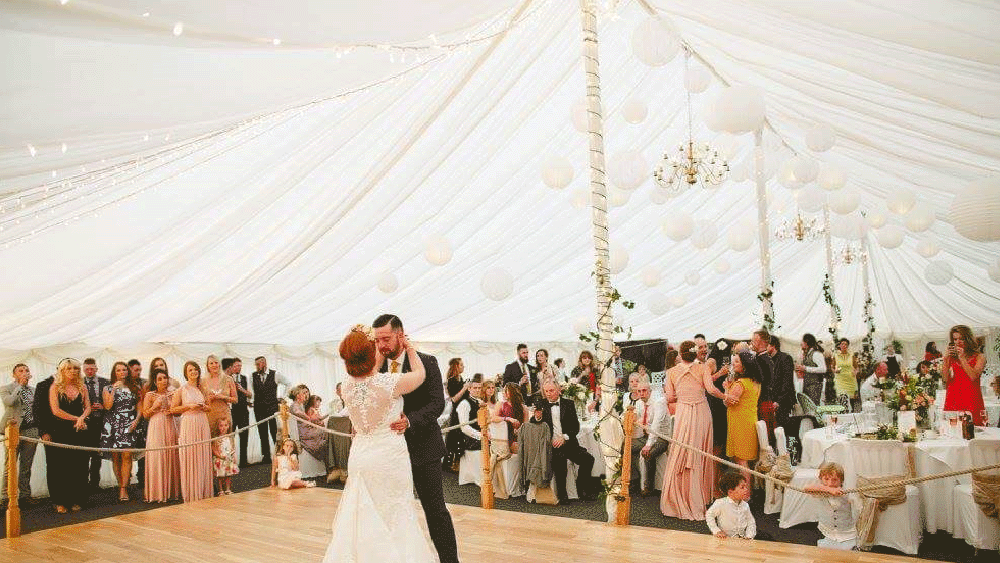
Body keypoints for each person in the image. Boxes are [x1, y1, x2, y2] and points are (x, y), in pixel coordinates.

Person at [322, 324, 437, 562]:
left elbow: (366, 376)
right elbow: (420, 375)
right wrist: (410, 348)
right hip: (388, 456)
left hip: (361, 455)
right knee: (394, 511)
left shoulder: (347, 386)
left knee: (362, 513)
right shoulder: (389, 383)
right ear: (370, 352)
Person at [369, 314, 458, 563]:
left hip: (424, 449)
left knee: (435, 511)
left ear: (400, 334)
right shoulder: (375, 366)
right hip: (387, 452)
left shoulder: (427, 362)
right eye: (377, 340)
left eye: (385, 339)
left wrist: (410, 421)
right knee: (391, 511)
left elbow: (437, 404)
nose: (381, 345)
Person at [661, 341, 727, 520]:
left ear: (681, 355)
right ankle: (701, 496)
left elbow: (669, 397)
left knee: (682, 452)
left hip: (683, 413)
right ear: (695, 354)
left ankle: (680, 496)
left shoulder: (671, 372)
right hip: (701, 412)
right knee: (700, 452)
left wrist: (679, 395)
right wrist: (726, 397)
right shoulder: (703, 368)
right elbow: (711, 389)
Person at [539, 380, 596, 503]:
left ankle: (582, 489)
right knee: (560, 461)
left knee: (588, 459)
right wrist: (537, 416)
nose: (549, 394)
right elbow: (534, 423)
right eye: (546, 391)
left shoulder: (568, 404)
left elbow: (575, 426)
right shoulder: (542, 405)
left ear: (558, 390)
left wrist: (564, 437)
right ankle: (562, 494)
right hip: (551, 446)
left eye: (551, 390)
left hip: (568, 443)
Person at [47, 358, 92, 513]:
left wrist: (81, 418)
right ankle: (60, 501)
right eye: (69, 368)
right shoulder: (55, 387)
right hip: (61, 431)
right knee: (61, 467)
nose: (73, 371)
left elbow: (88, 407)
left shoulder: (82, 387)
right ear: (62, 370)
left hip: (79, 430)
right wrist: (76, 418)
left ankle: (77, 499)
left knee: (79, 466)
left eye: (75, 368)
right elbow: (56, 411)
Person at [101, 361, 143, 502]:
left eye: (124, 370)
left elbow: (139, 407)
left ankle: (124, 488)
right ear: (114, 372)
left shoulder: (134, 387)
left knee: (127, 456)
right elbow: (107, 406)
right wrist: (113, 390)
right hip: (113, 424)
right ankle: (121, 485)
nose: (122, 372)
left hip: (129, 422)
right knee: (116, 458)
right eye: (118, 370)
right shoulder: (107, 387)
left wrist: (135, 422)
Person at [172, 360, 213, 503]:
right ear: (186, 373)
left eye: (195, 369)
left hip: (202, 422)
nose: (193, 372)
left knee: (202, 455)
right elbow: (173, 409)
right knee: (190, 455)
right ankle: (191, 492)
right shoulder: (181, 390)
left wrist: (203, 407)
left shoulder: (203, 388)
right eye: (190, 370)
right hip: (189, 423)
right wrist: (188, 406)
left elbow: (209, 407)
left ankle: (203, 490)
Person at [1, 364, 38, 508]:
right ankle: (5, 497)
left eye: (27, 370)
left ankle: (25, 495)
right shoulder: (6, 388)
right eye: (21, 371)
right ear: (14, 375)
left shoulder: (34, 390)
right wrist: (20, 386)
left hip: (31, 431)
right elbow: (9, 402)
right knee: (9, 466)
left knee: (26, 466)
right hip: (13, 431)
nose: (24, 373)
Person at [142, 369, 180, 503]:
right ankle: (157, 492)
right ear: (155, 382)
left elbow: (177, 413)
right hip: (156, 426)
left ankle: (171, 491)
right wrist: (155, 407)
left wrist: (172, 410)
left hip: (170, 425)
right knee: (157, 456)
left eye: (165, 378)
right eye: (160, 379)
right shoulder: (150, 395)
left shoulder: (173, 394)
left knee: (171, 455)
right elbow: (145, 415)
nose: (163, 381)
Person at [724, 352, 761, 481]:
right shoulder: (755, 382)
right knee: (745, 460)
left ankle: (746, 494)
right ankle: (747, 491)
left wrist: (726, 389)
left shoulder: (740, 383)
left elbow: (728, 402)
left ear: (745, 366)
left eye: (737, 362)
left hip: (740, 423)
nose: (734, 364)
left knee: (741, 460)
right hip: (750, 420)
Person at [804, 462, 857, 550]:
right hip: (828, 530)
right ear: (821, 479)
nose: (830, 483)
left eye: (835, 480)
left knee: (847, 550)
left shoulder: (846, 492)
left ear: (841, 480)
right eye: (826, 479)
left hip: (845, 530)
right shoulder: (821, 490)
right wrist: (828, 489)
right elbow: (806, 488)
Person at [942, 325, 987, 425]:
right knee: (953, 431)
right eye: (955, 339)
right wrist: (945, 360)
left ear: (968, 339)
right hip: (953, 397)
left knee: (974, 431)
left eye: (961, 339)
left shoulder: (980, 357)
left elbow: (973, 377)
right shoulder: (952, 357)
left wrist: (962, 358)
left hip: (971, 398)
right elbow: (945, 379)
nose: (958, 342)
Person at [251, 356, 291, 465]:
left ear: (264, 363)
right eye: (256, 365)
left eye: (258, 364)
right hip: (258, 408)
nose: (256, 367)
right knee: (262, 432)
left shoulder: (275, 374)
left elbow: (288, 383)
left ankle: (279, 452)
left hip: (272, 407)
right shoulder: (253, 376)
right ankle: (266, 456)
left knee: (275, 431)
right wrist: (250, 401)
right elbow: (251, 390)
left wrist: (283, 397)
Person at [81, 358, 109, 491]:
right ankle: (83, 483)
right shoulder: (78, 383)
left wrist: (103, 406)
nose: (90, 371)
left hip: (101, 423)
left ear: (96, 369)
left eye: (92, 368)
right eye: (87, 369)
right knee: (84, 454)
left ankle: (95, 484)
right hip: (85, 423)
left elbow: (112, 402)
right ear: (83, 370)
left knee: (98, 455)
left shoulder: (105, 382)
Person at [639, 380, 670, 497]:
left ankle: (649, 487)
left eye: (644, 391)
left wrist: (649, 444)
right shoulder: (643, 403)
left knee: (648, 454)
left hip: (662, 438)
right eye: (639, 391)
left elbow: (656, 426)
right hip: (648, 436)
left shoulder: (659, 402)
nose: (642, 393)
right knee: (626, 446)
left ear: (650, 391)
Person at [446, 374, 483, 471]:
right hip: (469, 438)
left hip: (478, 433)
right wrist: (481, 435)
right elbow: (465, 428)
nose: (478, 390)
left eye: (479, 388)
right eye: (475, 388)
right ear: (469, 389)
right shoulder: (465, 404)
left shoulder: (479, 402)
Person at [705, 472, 755, 539]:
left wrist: (749, 535)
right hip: (725, 539)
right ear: (730, 491)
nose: (746, 490)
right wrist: (716, 531)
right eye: (742, 487)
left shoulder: (745, 505)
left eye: (746, 487)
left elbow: (751, 521)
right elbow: (709, 515)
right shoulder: (721, 503)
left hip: (741, 540)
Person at [224, 357, 252, 467]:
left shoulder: (245, 378)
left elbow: (250, 394)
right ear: (231, 367)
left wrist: (242, 390)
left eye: (240, 365)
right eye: (236, 366)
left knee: (244, 436)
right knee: (230, 437)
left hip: (244, 411)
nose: (238, 368)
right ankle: (229, 461)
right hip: (231, 411)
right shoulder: (226, 378)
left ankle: (244, 461)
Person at [766, 336, 796, 437]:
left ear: (773, 346)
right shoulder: (768, 359)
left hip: (784, 400)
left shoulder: (785, 358)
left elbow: (787, 382)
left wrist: (778, 401)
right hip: (773, 399)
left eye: (766, 345)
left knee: (784, 429)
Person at [202, 355, 236, 438]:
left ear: (219, 364)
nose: (214, 365)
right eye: (211, 363)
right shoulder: (202, 381)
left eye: (216, 362)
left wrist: (222, 397)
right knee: (212, 443)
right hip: (210, 416)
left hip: (225, 416)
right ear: (207, 366)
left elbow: (235, 399)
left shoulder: (228, 379)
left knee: (226, 442)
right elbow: (201, 401)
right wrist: (208, 399)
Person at [292, 392, 329, 466]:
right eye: (317, 403)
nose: (319, 404)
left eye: (319, 403)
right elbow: (313, 419)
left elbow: (319, 418)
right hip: (312, 428)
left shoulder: (315, 410)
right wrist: (322, 419)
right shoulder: (311, 410)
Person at [796, 334, 826, 404]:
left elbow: (823, 369)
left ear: (807, 342)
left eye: (802, 341)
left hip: (814, 386)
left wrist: (806, 368)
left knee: (813, 407)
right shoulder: (807, 354)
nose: (801, 343)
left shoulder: (816, 353)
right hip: (807, 384)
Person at [213, 418, 239, 495]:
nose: (223, 428)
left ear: (228, 426)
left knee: (228, 475)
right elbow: (214, 449)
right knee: (220, 476)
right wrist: (219, 456)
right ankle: (220, 490)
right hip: (220, 459)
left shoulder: (230, 437)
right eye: (221, 426)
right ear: (218, 427)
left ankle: (228, 489)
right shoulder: (216, 438)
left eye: (225, 425)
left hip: (228, 459)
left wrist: (234, 456)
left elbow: (232, 447)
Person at [832, 339, 860, 411]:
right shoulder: (836, 356)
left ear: (848, 346)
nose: (844, 346)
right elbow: (832, 367)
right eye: (842, 344)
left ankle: (853, 414)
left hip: (850, 380)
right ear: (839, 345)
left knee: (852, 400)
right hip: (840, 380)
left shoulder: (851, 355)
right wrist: (835, 371)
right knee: (842, 399)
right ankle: (843, 415)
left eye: (846, 344)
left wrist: (855, 372)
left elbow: (857, 367)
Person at [499, 383, 527, 454]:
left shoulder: (523, 407)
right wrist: (508, 419)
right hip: (505, 436)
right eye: (503, 390)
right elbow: (494, 419)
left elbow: (526, 425)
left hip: (519, 437)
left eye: (506, 391)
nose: (503, 393)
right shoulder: (501, 405)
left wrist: (519, 430)